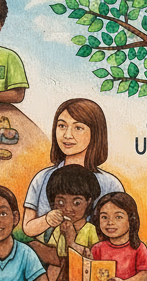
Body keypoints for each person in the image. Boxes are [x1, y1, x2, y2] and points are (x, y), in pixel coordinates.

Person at [22, 98, 125, 239]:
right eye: (62, 126)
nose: (67, 135)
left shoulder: (110, 183)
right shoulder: (42, 178)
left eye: (78, 128)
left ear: (95, 133)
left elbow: (120, 231)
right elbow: (27, 228)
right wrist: (47, 220)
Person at [77, 192, 147, 281]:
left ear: (131, 220)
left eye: (118, 217)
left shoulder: (138, 247)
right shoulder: (98, 247)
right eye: (104, 217)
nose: (110, 222)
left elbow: (144, 274)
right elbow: (92, 274)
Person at [30, 164, 101, 281]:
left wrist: (71, 240)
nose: (68, 209)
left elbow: (94, 257)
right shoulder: (56, 227)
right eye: (61, 202)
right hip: (58, 267)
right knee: (50, 260)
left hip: (79, 270)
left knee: (58, 263)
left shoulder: (90, 229)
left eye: (77, 203)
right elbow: (50, 251)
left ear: (89, 201)